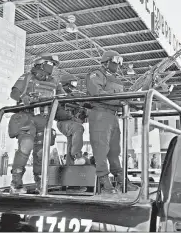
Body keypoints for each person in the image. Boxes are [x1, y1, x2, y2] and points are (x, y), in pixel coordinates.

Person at [7, 53, 64, 194]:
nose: (52, 68)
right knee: (25, 146)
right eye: (50, 64)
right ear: (40, 63)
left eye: (53, 66)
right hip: (27, 116)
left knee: (41, 152)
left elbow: (63, 97)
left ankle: (40, 181)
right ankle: (16, 182)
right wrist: (23, 97)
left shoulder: (55, 82)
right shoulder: (27, 77)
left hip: (44, 119)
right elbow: (14, 93)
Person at [86, 50, 139, 194]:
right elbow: (97, 93)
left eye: (120, 61)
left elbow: (120, 96)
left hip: (113, 116)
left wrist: (130, 101)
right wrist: (120, 100)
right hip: (100, 114)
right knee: (101, 150)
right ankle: (105, 182)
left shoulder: (116, 79)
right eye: (116, 61)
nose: (119, 64)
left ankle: (122, 180)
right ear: (106, 61)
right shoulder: (96, 75)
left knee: (115, 151)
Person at [55, 74, 87, 165]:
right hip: (62, 122)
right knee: (78, 128)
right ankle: (77, 154)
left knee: (71, 142)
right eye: (70, 86)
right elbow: (58, 113)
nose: (72, 88)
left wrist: (82, 113)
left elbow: (78, 112)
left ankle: (70, 165)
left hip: (71, 122)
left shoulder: (72, 96)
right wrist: (72, 116)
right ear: (64, 85)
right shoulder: (58, 95)